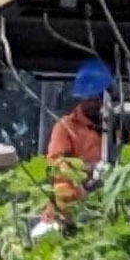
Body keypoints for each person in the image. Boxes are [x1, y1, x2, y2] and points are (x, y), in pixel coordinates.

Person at [41, 57, 114, 228]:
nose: (95, 103)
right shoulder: (65, 127)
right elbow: (56, 164)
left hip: (110, 209)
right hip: (67, 213)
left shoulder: (122, 126)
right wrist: (88, 170)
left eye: (99, 98)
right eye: (90, 98)